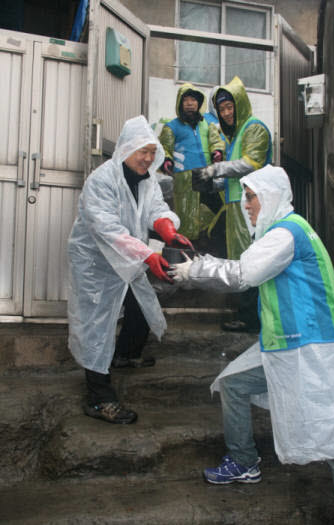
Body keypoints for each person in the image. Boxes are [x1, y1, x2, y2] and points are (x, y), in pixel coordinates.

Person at [170, 165, 334, 524]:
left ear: (270, 197)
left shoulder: (286, 234)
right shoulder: (286, 231)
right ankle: (243, 462)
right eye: (246, 197)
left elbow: (243, 274)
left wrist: (195, 270)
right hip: (287, 347)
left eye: (251, 197)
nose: (245, 205)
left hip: (311, 353)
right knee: (234, 384)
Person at [67, 115, 193, 425]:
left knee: (140, 304)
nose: (149, 158)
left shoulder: (147, 179)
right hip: (96, 261)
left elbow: (156, 209)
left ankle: (125, 354)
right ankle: (98, 398)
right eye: (143, 151)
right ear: (126, 149)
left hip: (129, 254)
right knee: (97, 323)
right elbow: (107, 228)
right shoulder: (102, 179)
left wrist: (166, 228)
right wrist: (149, 255)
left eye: (153, 152)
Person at [193, 76, 272, 332]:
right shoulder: (236, 135)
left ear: (240, 105)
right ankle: (247, 314)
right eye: (222, 109)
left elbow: (250, 164)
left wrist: (215, 169)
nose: (226, 113)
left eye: (230, 107)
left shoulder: (254, 129)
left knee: (249, 260)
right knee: (239, 259)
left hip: (250, 207)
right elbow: (231, 179)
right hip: (236, 206)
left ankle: (251, 318)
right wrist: (210, 183)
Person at [159, 83, 225, 243]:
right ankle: (188, 246)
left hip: (206, 175)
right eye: (186, 100)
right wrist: (166, 160)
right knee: (187, 216)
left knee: (218, 210)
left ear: (199, 103)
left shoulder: (208, 125)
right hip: (185, 179)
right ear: (180, 104)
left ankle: (211, 239)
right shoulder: (171, 127)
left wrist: (217, 152)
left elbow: (216, 142)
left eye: (193, 100)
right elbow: (163, 148)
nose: (190, 104)